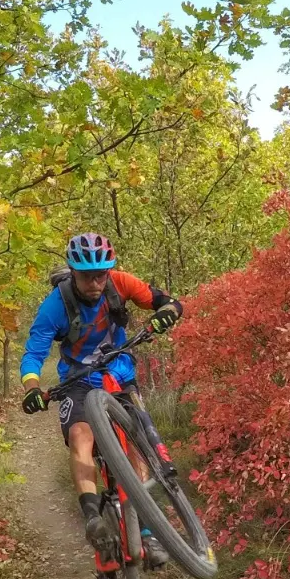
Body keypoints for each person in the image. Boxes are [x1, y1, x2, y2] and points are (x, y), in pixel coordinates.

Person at [19, 232, 183, 560]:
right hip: (77, 380)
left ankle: (146, 532)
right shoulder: (55, 305)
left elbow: (167, 301)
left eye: (100, 275)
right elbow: (33, 354)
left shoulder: (120, 283)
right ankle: (93, 518)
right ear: (72, 273)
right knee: (80, 435)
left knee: (135, 443)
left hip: (119, 374)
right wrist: (32, 389)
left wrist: (168, 311)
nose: (95, 283)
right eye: (86, 276)